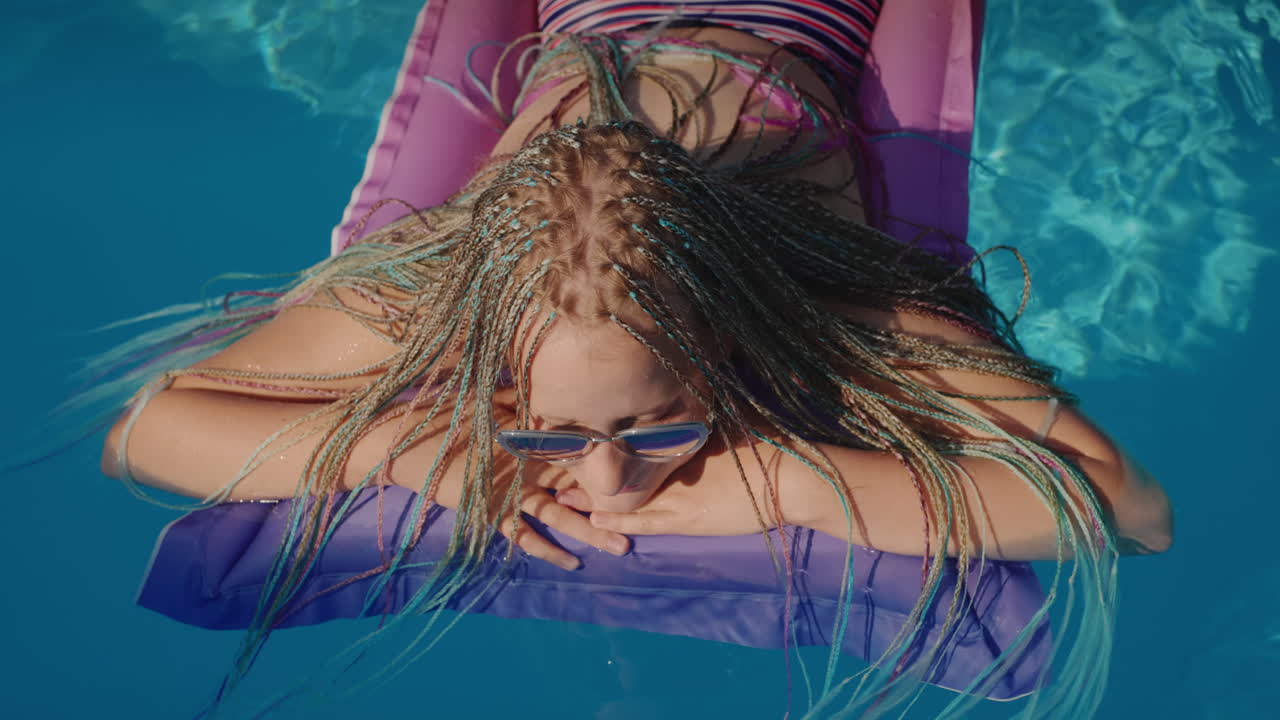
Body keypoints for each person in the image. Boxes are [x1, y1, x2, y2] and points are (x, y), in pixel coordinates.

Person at [97, 4, 1173, 717]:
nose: (609, 485)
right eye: (547, 432)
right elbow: (139, 435)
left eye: (660, 427)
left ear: (719, 343)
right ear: (492, 350)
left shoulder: (837, 309)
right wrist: (395, 450)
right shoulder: (420, 296)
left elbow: (1130, 510)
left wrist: (793, 479)